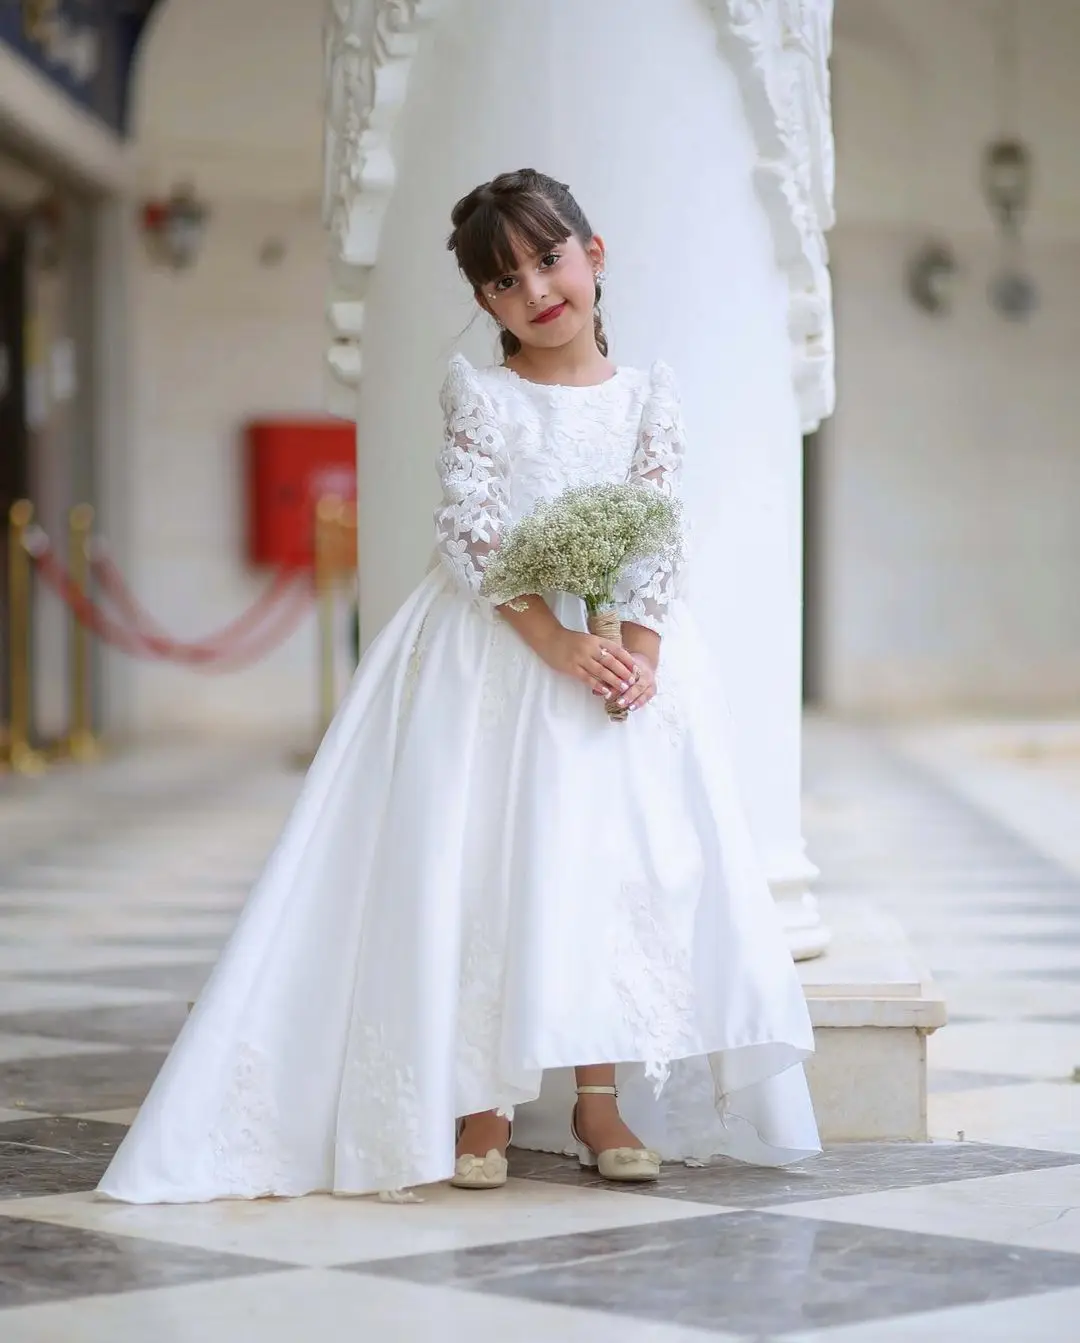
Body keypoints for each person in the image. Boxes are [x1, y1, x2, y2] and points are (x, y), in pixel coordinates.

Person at [98, 169, 820, 1204]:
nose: (533, 289)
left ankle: (598, 1094)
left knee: (612, 864)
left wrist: (638, 658)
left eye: (547, 258)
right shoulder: (482, 394)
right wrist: (555, 643)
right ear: (486, 304)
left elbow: (660, 528)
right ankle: (478, 1098)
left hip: (623, 661)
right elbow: (473, 528)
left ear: (594, 254)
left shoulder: (648, 395)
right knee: (488, 857)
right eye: (501, 281)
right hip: (497, 655)